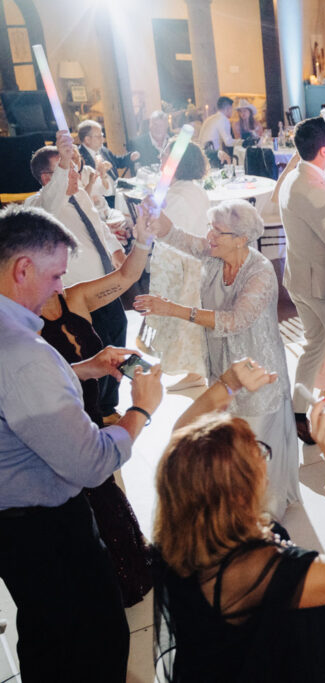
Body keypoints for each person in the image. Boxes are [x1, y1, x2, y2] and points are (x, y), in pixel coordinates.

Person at [0, 204, 163, 681]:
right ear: (22, 268)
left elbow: (15, 396)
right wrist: (140, 411)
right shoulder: (23, 353)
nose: (59, 288)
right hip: (44, 528)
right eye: (54, 276)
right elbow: (91, 463)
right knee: (91, 642)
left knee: (44, 634)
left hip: (15, 527)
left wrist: (84, 369)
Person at [152, 375, 325, 683]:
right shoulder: (247, 570)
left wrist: (229, 382)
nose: (263, 457)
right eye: (257, 452)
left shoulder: (181, 526)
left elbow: (182, 433)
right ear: (239, 492)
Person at [135, 199, 300, 519]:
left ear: (241, 239)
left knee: (255, 441)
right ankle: (236, 502)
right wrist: (157, 215)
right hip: (221, 363)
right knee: (229, 438)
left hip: (256, 368)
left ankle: (263, 511)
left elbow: (235, 320)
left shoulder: (261, 272)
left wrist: (172, 309)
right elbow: (178, 237)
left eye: (217, 231)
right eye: (210, 228)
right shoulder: (215, 253)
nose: (209, 235)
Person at [39, 202, 159, 608]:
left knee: (111, 502)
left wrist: (143, 239)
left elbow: (126, 277)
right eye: (55, 271)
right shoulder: (18, 322)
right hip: (62, 426)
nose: (62, 278)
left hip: (94, 416)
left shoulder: (74, 298)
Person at [26, 133, 129, 423]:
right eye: (66, 168)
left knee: (118, 332)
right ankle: (98, 410)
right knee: (95, 347)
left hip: (104, 283)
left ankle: (110, 404)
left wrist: (117, 252)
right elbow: (52, 198)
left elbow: (99, 227)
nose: (74, 172)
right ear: (48, 177)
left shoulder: (79, 195)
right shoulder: (39, 205)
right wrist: (64, 160)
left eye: (73, 166)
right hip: (78, 295)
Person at [278, 116, 325, 443]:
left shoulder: (295, 176)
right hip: (320, 284)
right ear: (323, 151)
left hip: (299, 278)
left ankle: (296, 412)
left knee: (315, 345)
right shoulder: (313, 189)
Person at [145, 140, 211, 392]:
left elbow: (164, 232)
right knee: (187, 321)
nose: (160, 160)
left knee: (184, 321)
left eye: (164, 156)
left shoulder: (179, 196)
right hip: (190, 262)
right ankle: (195, 372)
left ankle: (196, 372)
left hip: (183, 264)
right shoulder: (191, 189)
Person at [77, 119, 140, 202]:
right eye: (99, 136)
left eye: (102, 135)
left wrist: (130, 157)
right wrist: (100, 170)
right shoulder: (79, 158)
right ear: (87, 139)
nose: (103, 139)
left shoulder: (102, 149)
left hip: (117, 189)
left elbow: (116, 161)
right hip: (103, 199)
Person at [198, 96, 237, 167]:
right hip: (214, 158)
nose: (232, 111)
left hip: (202, 156)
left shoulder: (209, 119)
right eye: (232, 109)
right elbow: (228, 142)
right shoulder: (223, 119)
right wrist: (242, 142)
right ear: (228, 108)